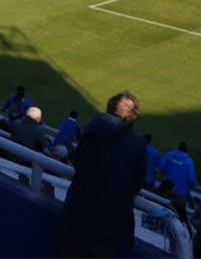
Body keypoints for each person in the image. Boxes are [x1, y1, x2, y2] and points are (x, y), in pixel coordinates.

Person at [59, 91, 146, 258]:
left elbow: (79, 164)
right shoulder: (136, 144)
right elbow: (136, 184)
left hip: (74, 220)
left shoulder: (90, 131)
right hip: (106, 232)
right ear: (132, 117)